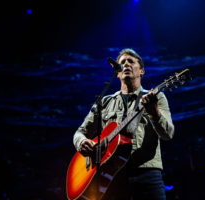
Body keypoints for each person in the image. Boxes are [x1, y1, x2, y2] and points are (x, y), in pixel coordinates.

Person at [73, 48, 174, 200]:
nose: (126, 64)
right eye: (122, 63)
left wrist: (155, 113)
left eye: (131, 61)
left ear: (141, 71)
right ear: (118, 73)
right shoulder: (104, 102)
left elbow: (168, 134)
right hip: (112, 176)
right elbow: (80, 132)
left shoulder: (157, 98)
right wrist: (81, 142)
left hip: (147, 174)